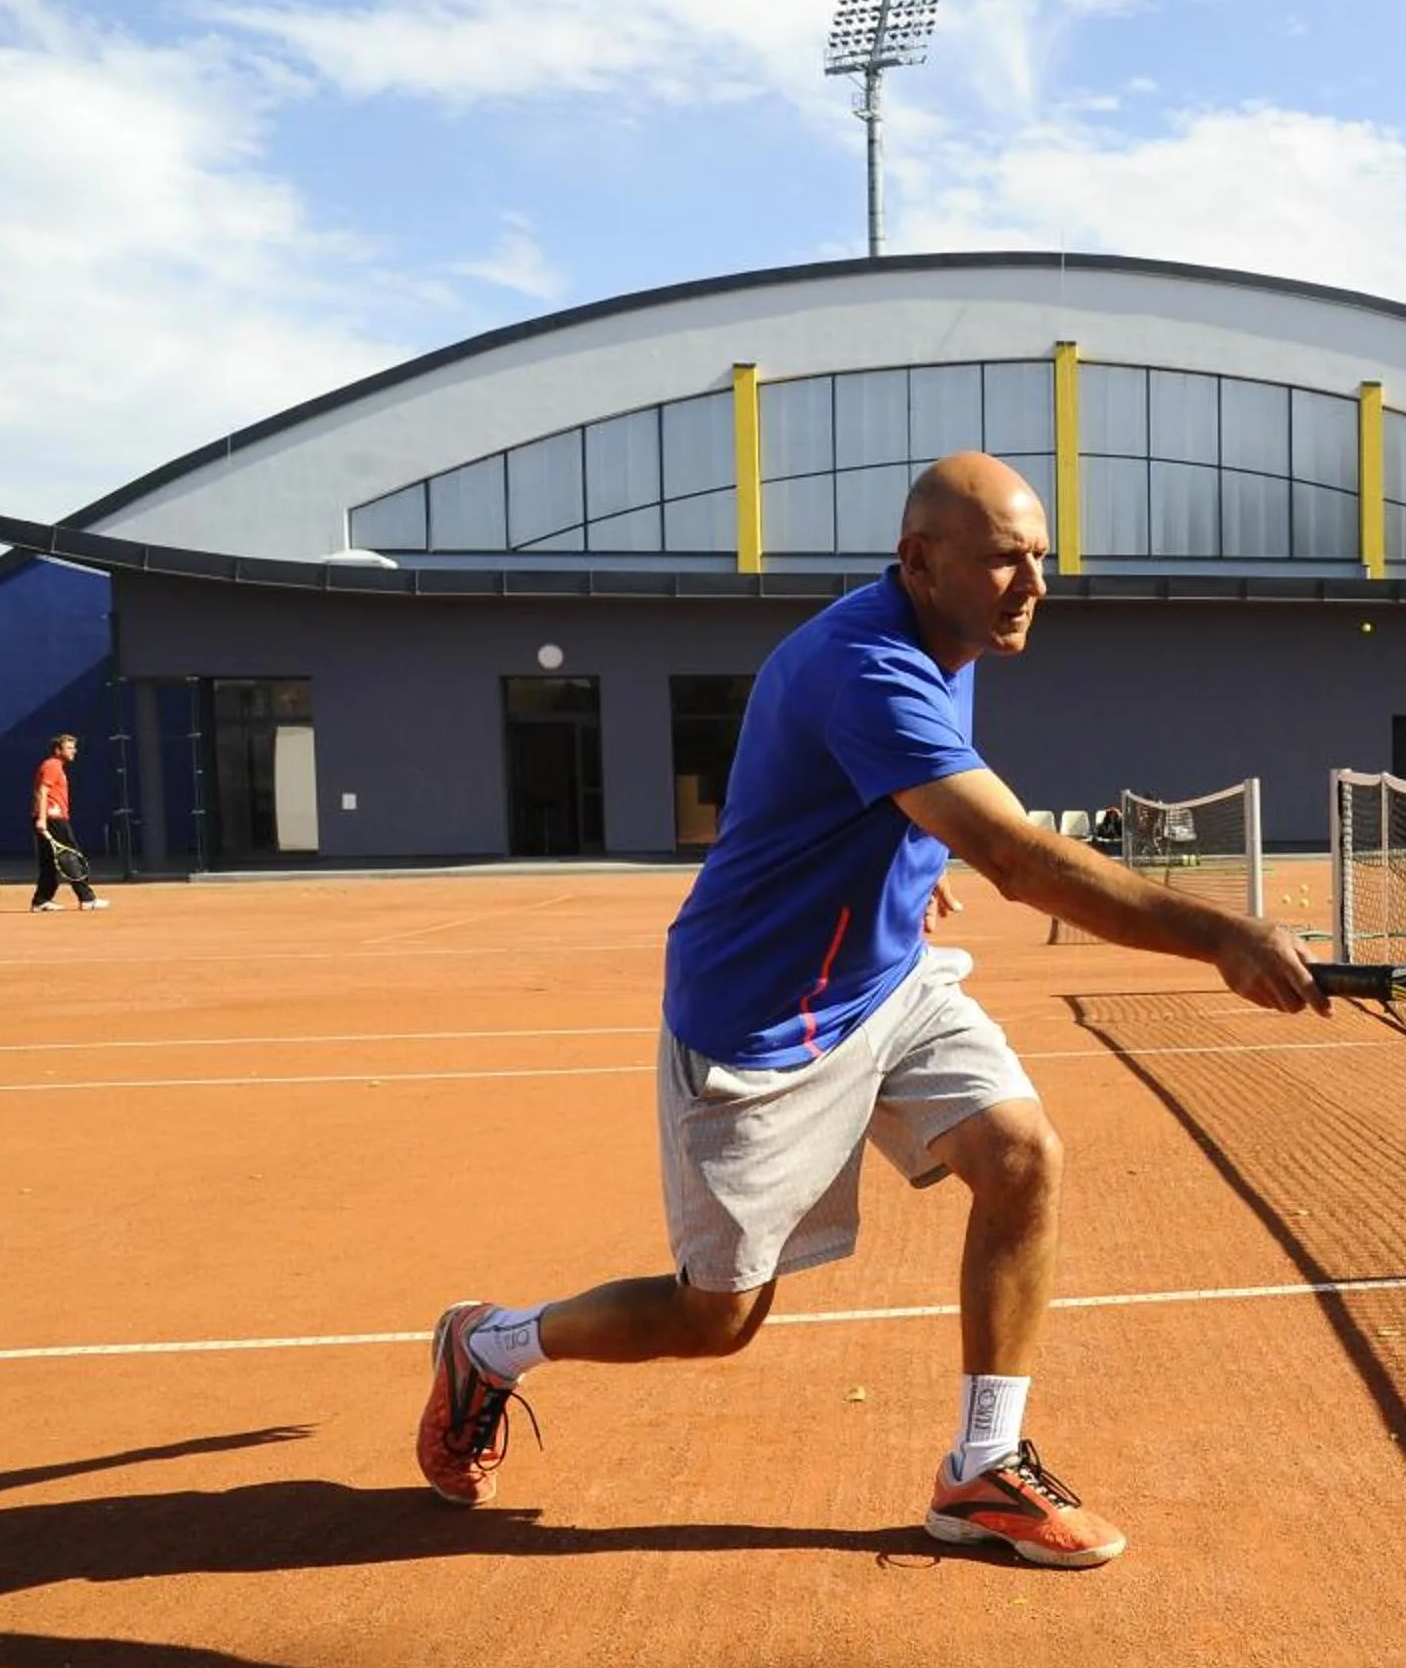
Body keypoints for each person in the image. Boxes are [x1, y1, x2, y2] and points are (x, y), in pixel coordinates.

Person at [414, 451, 1325, 1568]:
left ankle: (983, 1468)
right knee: (714, 1322)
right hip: (761, 1023)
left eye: (1041, 558)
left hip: (889, 983)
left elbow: (901, 794)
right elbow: (1018, 858)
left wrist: (909, 846)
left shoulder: (955, 634)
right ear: (919, 560)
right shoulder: (872, 665)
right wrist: (1224, 933)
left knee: (1023, 1156)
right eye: (1004, 560)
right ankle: (490, 1346)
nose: (1032, 584)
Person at [29, 733, 106, 912]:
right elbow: (42, 792)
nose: (74, 751)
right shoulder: (52, 766)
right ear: (58, 750)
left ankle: (41, 900)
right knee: (71, 857)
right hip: (52, 820)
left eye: (74, 747)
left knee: (49, 863)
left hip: (49, 818)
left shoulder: (56, 766)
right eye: (70, 748)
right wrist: (42, 819)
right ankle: (87, 899)